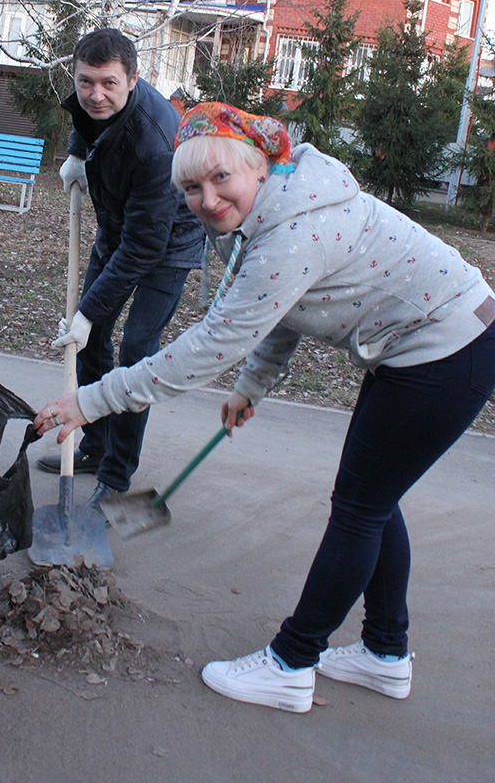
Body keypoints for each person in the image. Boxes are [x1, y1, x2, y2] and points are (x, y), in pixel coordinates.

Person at [34, 101, 495, 713]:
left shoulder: (293, 229)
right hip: (429, 347)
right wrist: (253, 385)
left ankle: (292, 662)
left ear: (258, 163)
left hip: (446, 349)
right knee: (373, 502)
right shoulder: (271, 206)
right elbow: (280, 311)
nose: (208, 198)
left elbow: (213, 342)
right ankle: (385, 654)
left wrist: (92, 401)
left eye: (221, 178)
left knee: (359, 508)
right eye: (191, 187)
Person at [36, 27, 204, 507]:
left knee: (135, 352)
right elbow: (88, 119)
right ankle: (95, 445)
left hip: (168, 242)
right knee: (88, 343)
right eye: (86, 81)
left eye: (108, 84)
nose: (95, 94)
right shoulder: (94, 98)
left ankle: (117, 471)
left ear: (133, 80)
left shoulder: (157, 144)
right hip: (118, 224)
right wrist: (75, 152)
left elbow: (144, 247)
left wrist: (88, 311)